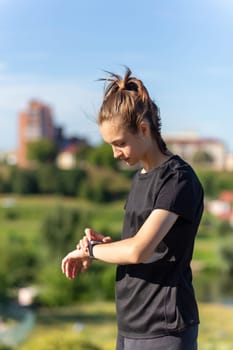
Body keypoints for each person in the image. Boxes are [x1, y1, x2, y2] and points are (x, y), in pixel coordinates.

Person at [61, 67, 204, 350]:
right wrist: (104, 245)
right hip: (130, 324)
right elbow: (143, 246)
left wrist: (89, 251)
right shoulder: (139, 179)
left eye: (120, 143)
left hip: (164, 328)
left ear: (143, 129)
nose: (115, 153)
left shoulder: (178, 179)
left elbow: (138, 250)